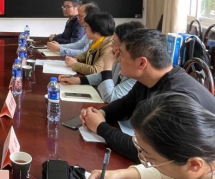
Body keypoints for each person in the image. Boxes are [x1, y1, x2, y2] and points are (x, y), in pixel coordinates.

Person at [80, 29, 215, 162]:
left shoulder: (175, 98)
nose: (117, 58)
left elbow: (148, 154)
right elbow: (125, 104)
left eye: (121, 54)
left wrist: (100, 127)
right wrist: (101, 113)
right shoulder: (151, 78)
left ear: (141, 63)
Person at [88, 93, 215, 179]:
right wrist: (118, 175)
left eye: (151, 160)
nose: (149, 163)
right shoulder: (192, 157)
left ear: (194, 165)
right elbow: (167, 176)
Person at [60, 21, 144, 103]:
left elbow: (110, 97)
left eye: (114, 43)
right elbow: (101, 76)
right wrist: (78, 80)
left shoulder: (138, 74)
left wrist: (107, 66)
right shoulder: (119, 59)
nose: (111, 46)